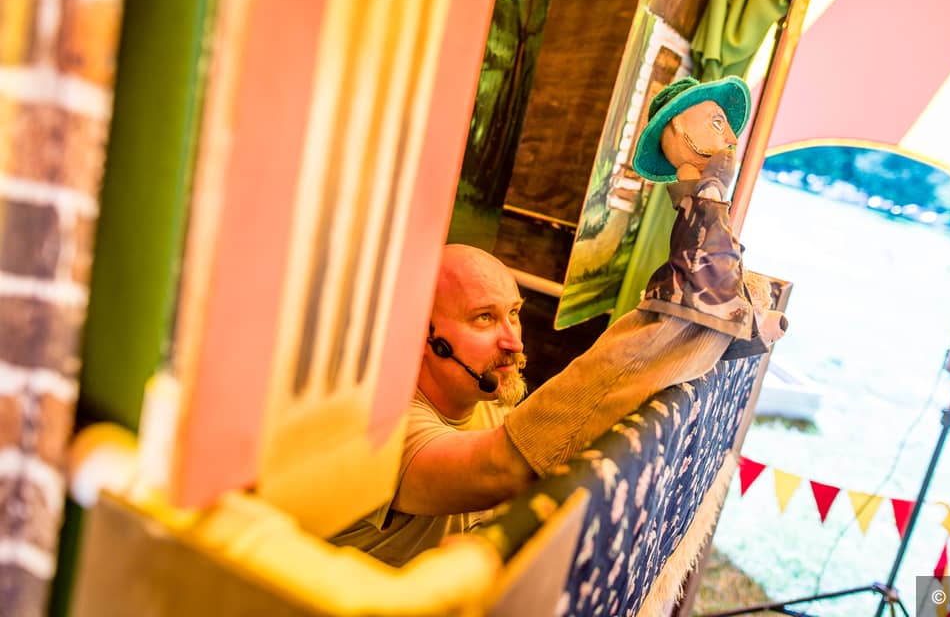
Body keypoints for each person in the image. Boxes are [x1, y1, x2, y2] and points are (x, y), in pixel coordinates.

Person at [332, 75, 783, 566]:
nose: (512, 340)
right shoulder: (382, 431)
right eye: (483, 319)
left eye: (514, 314)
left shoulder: (487, 403)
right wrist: (674, 325)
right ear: (421, 334)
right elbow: (500, 467)